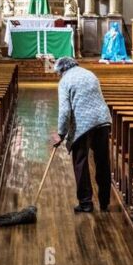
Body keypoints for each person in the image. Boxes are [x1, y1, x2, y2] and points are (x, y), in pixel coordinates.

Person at [53, 56, 112, 214]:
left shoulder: (65, 82)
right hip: (102, 119)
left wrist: (60, 134)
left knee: (81, 161)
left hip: (83, 123)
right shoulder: (89, 73)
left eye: (58, 73)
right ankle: (105, 201)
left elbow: (65, 112)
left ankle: (86, 203)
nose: (59, 76)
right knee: (102, 160)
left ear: (62, 70)